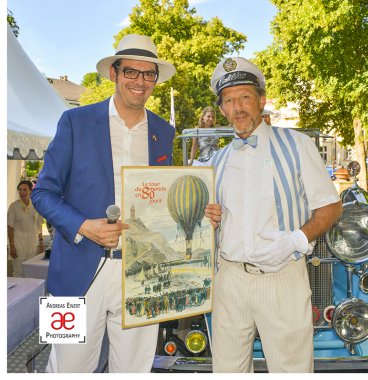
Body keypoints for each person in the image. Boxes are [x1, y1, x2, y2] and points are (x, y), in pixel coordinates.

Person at [31, 34, 221, 373]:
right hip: (75, 273)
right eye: (131, 71)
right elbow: (42, 193)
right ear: (114, 74)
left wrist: (203, 213)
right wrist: (82, 227)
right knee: (65, 369)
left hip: (143, 277)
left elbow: (163, 200)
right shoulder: (74, 121)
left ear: (156, 81)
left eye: (149, 74)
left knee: (134, 370)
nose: (140, 81)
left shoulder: (164, 132)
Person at [208, 57, 342, 373]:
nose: (237, 107)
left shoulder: (298, 144)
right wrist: (211, 217)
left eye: (244, 97)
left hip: (282, 277)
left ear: (262, 100)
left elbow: (331, 206)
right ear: (223, 109)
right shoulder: (217, 159)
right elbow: (218, 217)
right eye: (229, 100)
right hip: (229, 280)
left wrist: (297, 239)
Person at [7, 180, 44, 277]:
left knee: (30, 273)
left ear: (30, 191)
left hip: (32, 244)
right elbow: (10, 227)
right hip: (18, 245)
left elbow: (39, 224)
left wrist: (41, 241)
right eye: (20, 190)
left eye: (24, 190)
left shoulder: (35, 205)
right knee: (18, 273)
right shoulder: (13, 206)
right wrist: (12, 245)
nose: (22, 192)